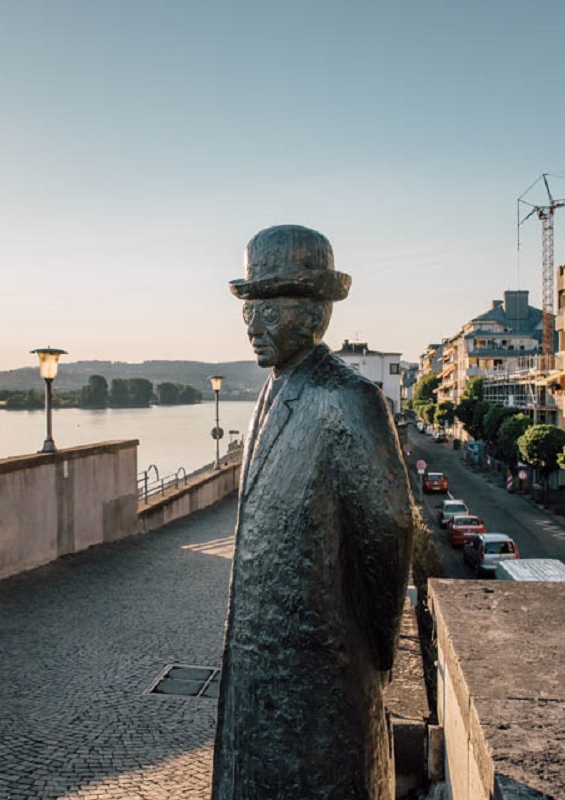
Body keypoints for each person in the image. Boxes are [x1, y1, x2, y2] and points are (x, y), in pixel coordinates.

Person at [211, 224, 416, 800]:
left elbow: (389, 527)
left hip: (317, 664)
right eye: (249, 310)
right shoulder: (273, 390)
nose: (253, 325)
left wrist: (375, 644)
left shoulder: (346, 398)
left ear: (315, 314)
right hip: (260, 667)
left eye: (269, 311)